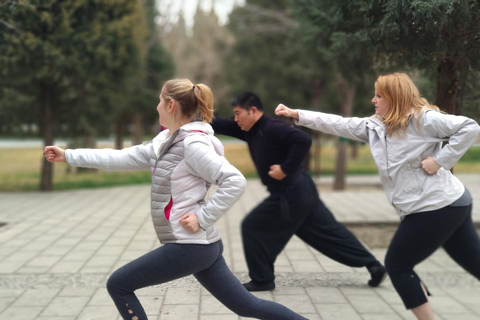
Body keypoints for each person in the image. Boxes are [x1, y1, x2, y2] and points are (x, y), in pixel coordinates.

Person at [43, 79, 307, 320]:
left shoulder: (192, 145)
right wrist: (68, 155)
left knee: (119, 284)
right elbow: (120, 157)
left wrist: (203, 217)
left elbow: (234, 180)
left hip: (189, 246)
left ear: (170, 105)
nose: (157, 107)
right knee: (249, 306)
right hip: (203, 247)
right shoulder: (167, 141)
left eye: (160, 101)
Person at [275, 72, 480, 320]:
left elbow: (469, 127)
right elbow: (338, 123)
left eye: (379, 96)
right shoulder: (375, 127)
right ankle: (418, 293)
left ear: (394, 98)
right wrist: (297, 114)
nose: (373, 100)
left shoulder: (422, 119)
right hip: (449, 204)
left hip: (437, 206)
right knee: (473, 262)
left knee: (397, 265)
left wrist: (439, 161)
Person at [211, 92, 386, 292]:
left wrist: (285, 168)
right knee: (329, 233)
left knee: (252, 226)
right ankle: (374, 266)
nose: (235, 119)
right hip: (300, 192)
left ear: (253, 111)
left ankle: (262, 279)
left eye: (238, 113)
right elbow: (219, 124)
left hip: (292, 192)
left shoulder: (272, 127)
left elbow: (302, 139)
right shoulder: (249, 129)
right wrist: (195, 114)